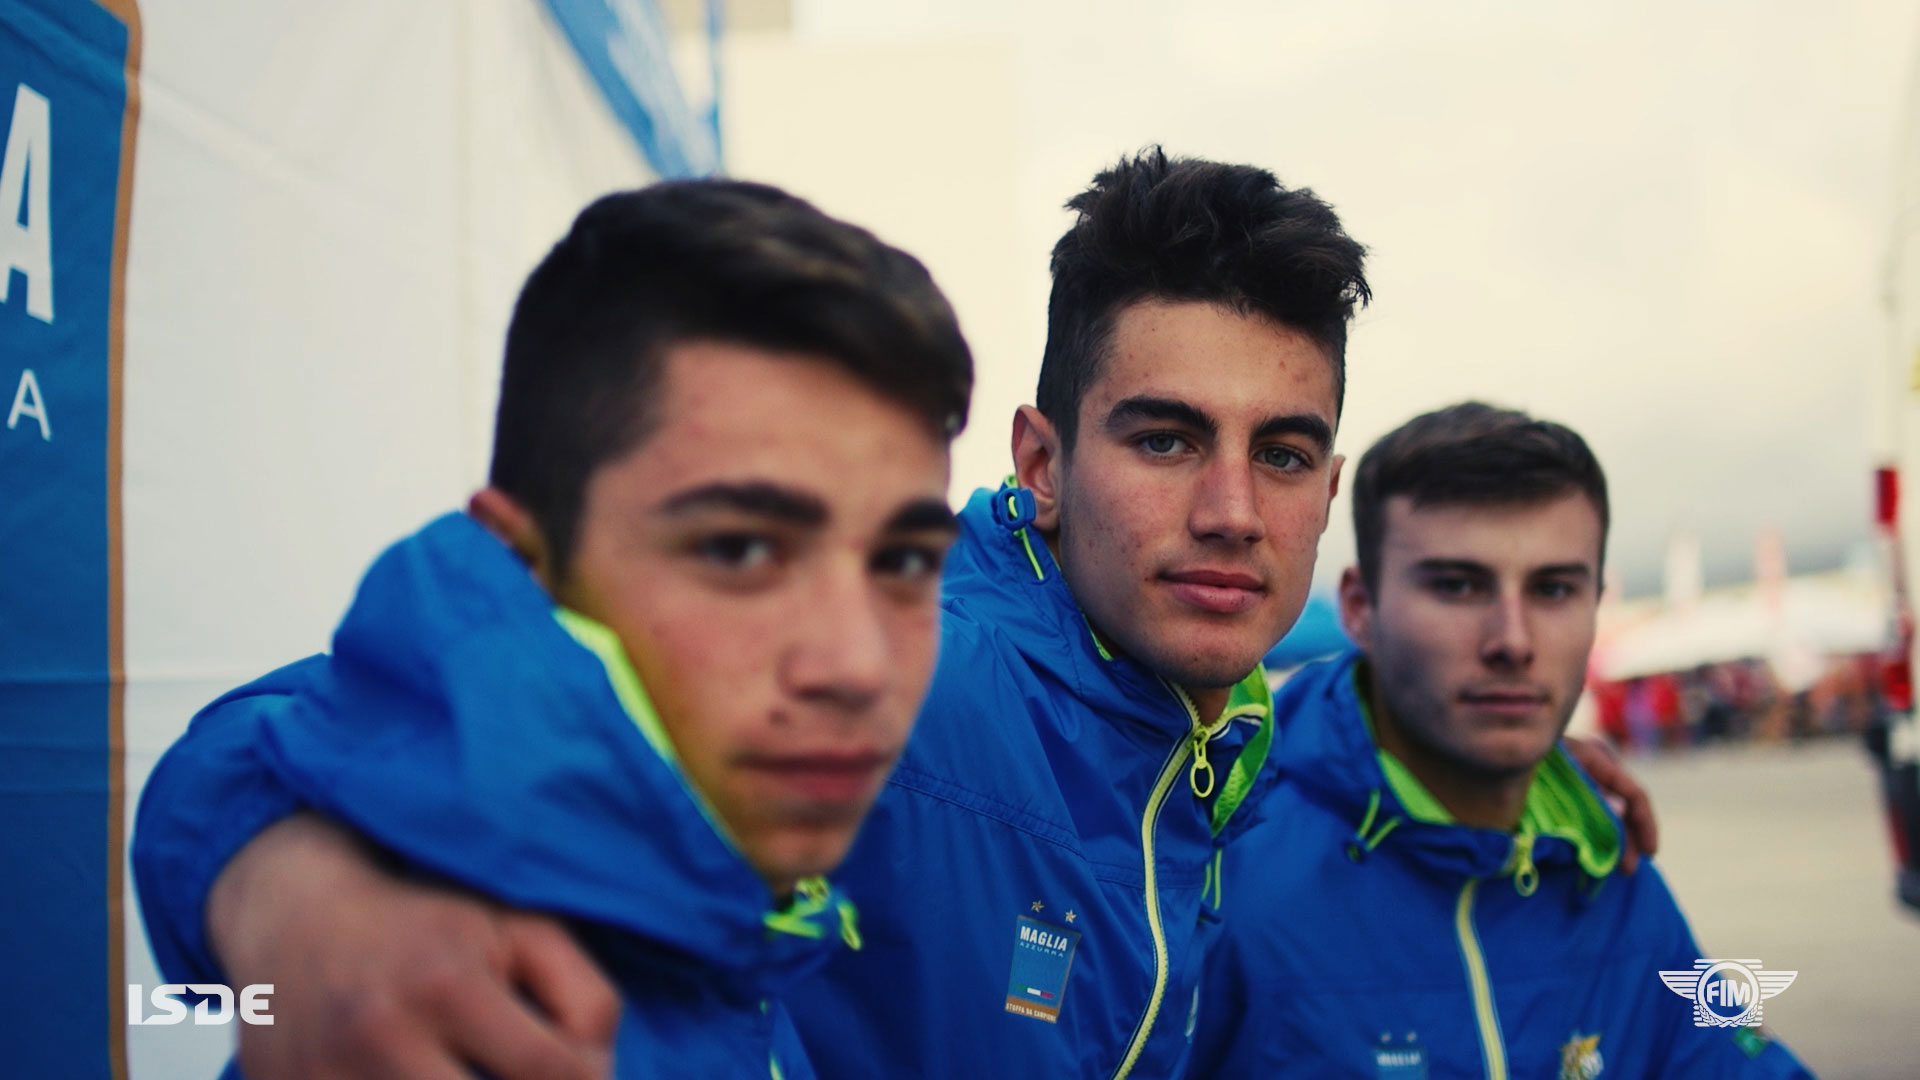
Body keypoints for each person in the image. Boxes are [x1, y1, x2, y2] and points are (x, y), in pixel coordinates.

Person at [133, 152, 1653, 1079]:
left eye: (1286, 453)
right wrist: (293, 895)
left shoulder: (1205, 705)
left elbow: (1256, 729)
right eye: (1165, 438)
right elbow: (309, 726)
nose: (1230, 511)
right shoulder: (908, 674)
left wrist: (1472, 763)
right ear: (1041, 465)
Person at [132, 179, 973, 1079]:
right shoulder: (450, 1027)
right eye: (739, 550)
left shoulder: (724, 897)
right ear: (519, 563)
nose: (857, 664)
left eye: (904, 560)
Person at [1190, 403, 1809, 1078]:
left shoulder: (1606, 864)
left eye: (1554, 589)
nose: (1513, 641)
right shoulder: (1214, 874)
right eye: (1458, 586)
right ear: (1361, 609)